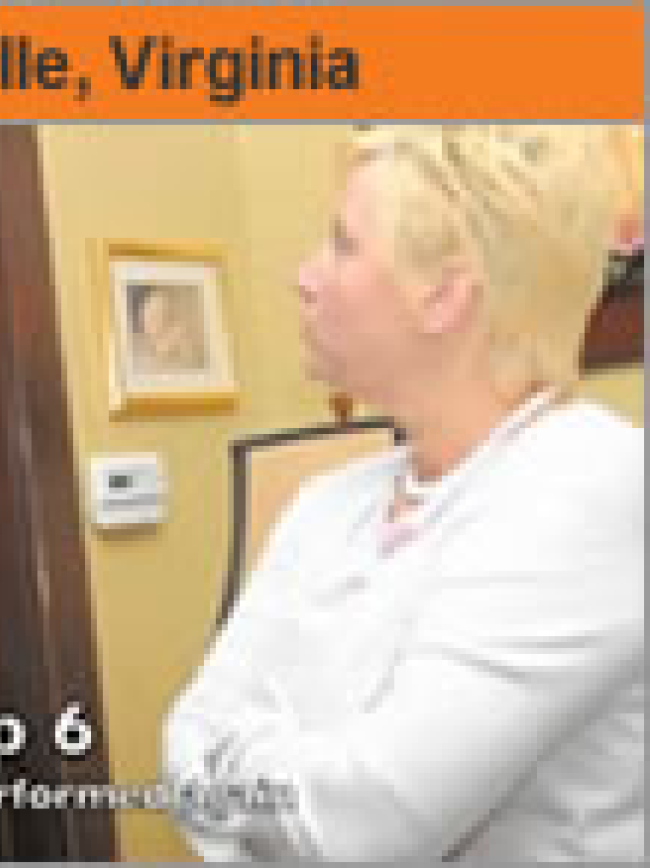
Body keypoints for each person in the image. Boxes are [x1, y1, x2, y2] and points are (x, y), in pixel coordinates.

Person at [163, 126, 643, 861]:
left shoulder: (590, 478)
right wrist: (302, 778)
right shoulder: (328, 503)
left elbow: (366, 826)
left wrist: (250, 757)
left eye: (343, 245)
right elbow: (183, 748)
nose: (305, 276)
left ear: (444, 296)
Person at [128, 283, 208, 375]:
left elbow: (195, 361)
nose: (162, 323)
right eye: (154, 317)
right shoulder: (141, 359)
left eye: (166, 314)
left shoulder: (180, 332)